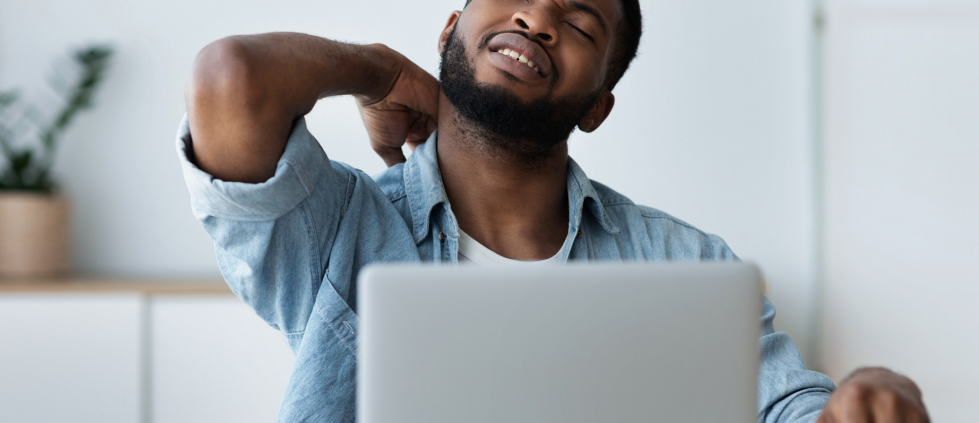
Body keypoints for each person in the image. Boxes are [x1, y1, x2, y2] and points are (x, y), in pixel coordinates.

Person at [178, 0, 930, 421]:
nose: (539, 17)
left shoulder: (684, 264)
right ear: (449, 30)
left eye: (580, 23)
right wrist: (377, 69)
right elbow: (231, 77)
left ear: (598, 105)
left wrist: (863, 403)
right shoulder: (342, 228)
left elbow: (786, 409)